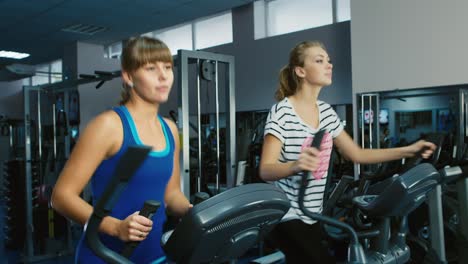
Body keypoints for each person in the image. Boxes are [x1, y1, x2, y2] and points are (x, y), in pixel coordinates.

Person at [259, 40, 436, 264]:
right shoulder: (282, 111)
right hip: (286, 215)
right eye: (319, 60)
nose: (329, 65)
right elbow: (266, 170)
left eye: (329, 60)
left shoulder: (326, 112)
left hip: (312, 214)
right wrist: (295, 165)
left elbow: (358, 154)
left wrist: (409, 150)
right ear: (300, 71)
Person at [51, 36, 191, 264]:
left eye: (167, 67)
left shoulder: (170, 129)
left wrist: (196, 212)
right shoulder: (108, 126)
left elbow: (171, 195)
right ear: (128, 76)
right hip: (105, 256)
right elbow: (61, 197)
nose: (163, 76)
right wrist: (115, 227)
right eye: (151, 68)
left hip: (155, 256)